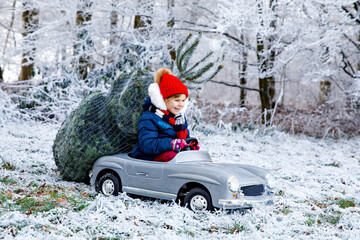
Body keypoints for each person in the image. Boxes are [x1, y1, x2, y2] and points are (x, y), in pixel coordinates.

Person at [131, 68, 200, 162]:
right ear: (164, 100)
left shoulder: (179, 119)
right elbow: (147, 144)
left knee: (193, 157)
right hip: (148, 157)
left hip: (171, 154)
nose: (181, 104)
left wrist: (190, 144)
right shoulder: (150, 118)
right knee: (174, 158)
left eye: (183, 100)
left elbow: (184, 138)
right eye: (177, 100)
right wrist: (171, 144)